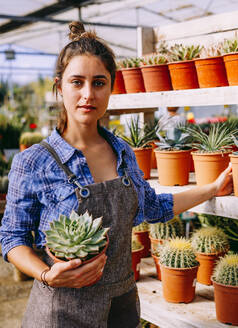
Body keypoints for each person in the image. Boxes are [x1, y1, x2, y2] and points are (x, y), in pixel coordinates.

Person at [0, 22, 233, 328]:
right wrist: (47, 274)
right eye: (77, 82)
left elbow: (153, 206)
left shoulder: (122, 151)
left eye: (99, 82)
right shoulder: (33, 161)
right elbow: (12, 239)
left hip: (121, 310)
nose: (88, 94)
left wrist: (213, 188)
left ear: (111, 86)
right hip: (61, 313)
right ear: (59, 87)